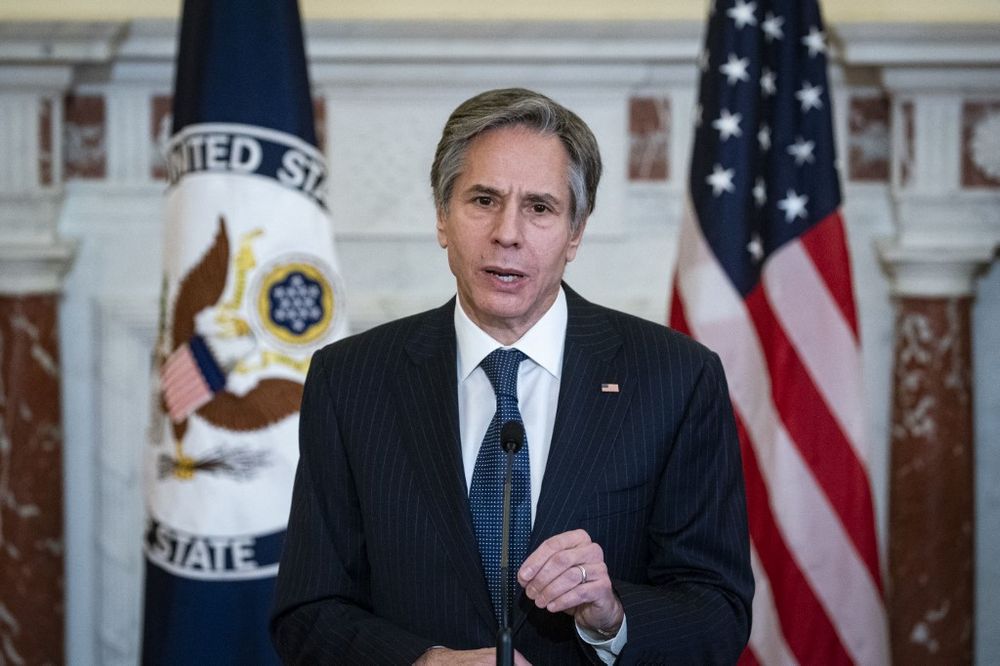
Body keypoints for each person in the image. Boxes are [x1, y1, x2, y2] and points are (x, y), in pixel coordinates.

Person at [270, 88, 753, 664]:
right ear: (442, 217)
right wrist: (424, 663)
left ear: (575, 232)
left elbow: (718, 612)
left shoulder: (676, 379)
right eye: (483, 200)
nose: (508, 233)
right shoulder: (351, 380)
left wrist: (612, 617)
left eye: (540, 208)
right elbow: (308, 612)